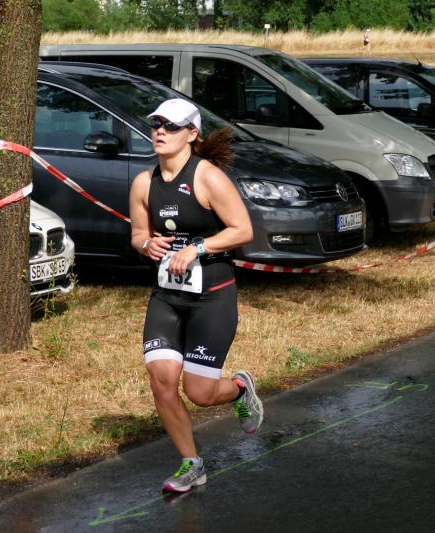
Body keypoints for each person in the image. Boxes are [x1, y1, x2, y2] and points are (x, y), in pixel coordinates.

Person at [129, 98, 264, 493]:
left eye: (171, 126)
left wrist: (197, 248)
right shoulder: (144, 182)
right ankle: (192, 463)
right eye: (156, 124)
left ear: (191, 134)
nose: (160, 131)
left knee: (200, 393)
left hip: (212, 297)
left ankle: (240, 389)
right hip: (167, 297)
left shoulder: (208, 177)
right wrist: (146, 245)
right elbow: (138, 234)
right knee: (161, 381)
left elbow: (242, 230)